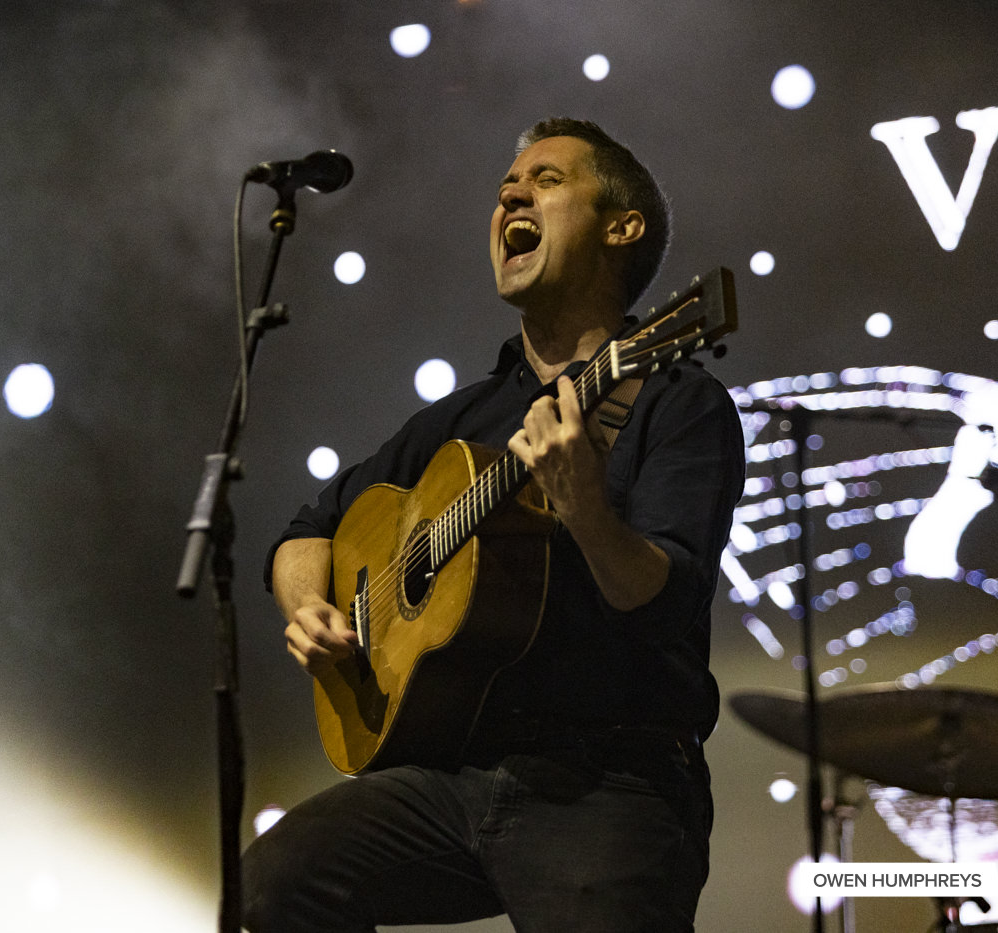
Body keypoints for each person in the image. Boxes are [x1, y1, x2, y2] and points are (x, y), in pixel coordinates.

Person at [243, 117, 745, 932]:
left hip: (612, 782)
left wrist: (585, 509)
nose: (511, 191)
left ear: (622, 228)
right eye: (507, 185)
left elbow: (666, 604)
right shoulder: (462, 416)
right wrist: (308, 606)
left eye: (546, 180)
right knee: (276, 882)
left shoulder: (673, 399)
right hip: (450, 773)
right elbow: (309, 528)